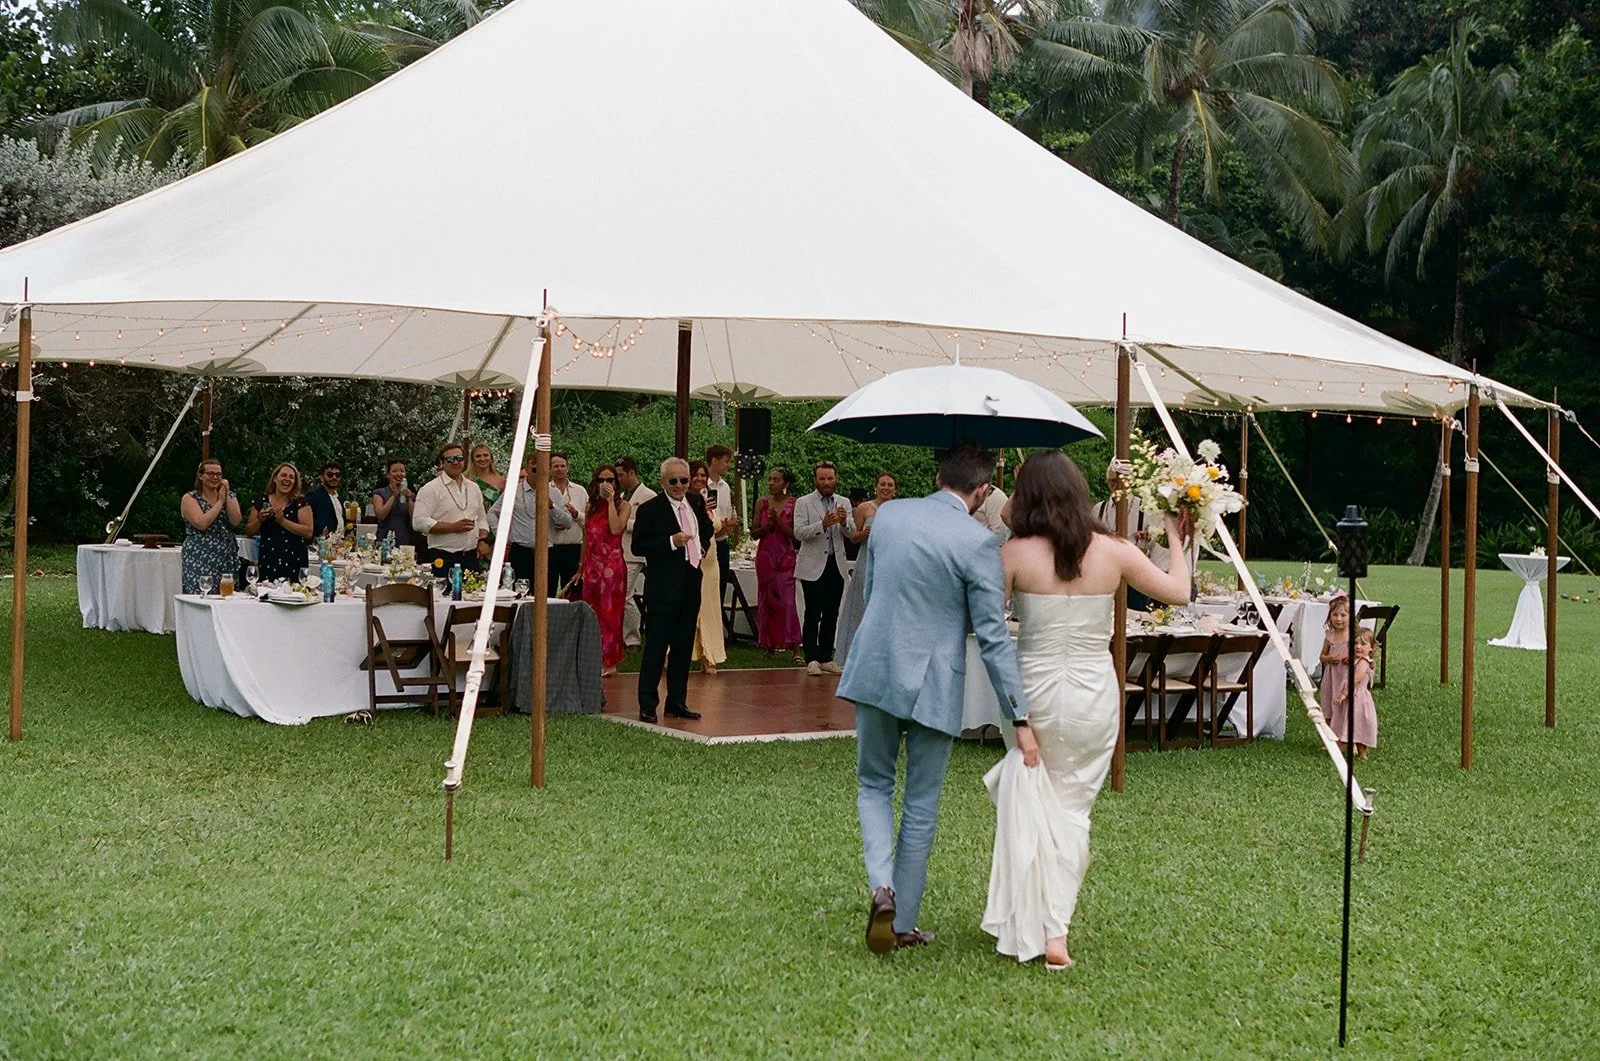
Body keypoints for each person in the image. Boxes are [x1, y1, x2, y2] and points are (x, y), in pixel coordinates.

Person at [981, 450, 1191, 971]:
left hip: (1032, 694)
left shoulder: (1014, 554)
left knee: (1034, 798)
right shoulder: (1114, 550)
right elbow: (1180, 591)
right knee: (1072, 810)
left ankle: (1034, 922)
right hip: (1095, 692)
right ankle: (1057, 931)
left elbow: (990, 636)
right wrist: (1176, 534)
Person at [839, 443, 1031, 955]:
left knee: (874, 783)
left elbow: (873, 589)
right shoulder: (978, 542)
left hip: (876, 664)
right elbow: (991, 635)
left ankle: (881, 884)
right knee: (921, 803)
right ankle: (902, 921)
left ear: (936, 474)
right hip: (935, 680)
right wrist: (1020, 712)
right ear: (983, 490)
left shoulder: (889, 516)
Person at [630, 458, 714, 723]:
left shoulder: (696, 503)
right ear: (662, 482)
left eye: (684, 480)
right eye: (673, 481)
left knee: (683, 645)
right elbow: (638, 546)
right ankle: (647, 703)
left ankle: (677, 701)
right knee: (656, 646)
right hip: (663, 586)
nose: (679, 486)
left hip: (691, 582)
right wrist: (671, 542)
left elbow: (707, 529)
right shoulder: (650, 509)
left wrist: (700, 549)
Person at [794, 461, 855, 676]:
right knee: (813, 612)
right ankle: (811, 657)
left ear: (836, 479)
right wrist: (823, 525)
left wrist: (845, 521)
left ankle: (826, 656)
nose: (827, 482)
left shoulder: (843, 502)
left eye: (830, 478)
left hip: (835, 564)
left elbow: (851, 533)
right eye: (822, 479)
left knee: (831, 612)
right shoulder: (804, 502)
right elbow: (799, 533)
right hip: (812, 565)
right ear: (815, 480)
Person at [836, 472, 898, 666]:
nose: (886, 488)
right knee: (861, 605)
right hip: (867, 559)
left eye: (890, 485)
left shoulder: (899, 509)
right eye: (882, 484)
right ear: (876, 487)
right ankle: (855, 654)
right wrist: (863, 534)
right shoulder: (864, 508)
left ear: (895, 489)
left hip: (888, 561)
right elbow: (852, 538)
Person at [1091, 461, 1168, 612]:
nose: (1115, 485)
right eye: (1112, 481)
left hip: (1135, 580)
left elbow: (1158, 546)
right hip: (1103, 577)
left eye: (1120, 481)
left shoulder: (1146, 508)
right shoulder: (1098, 510)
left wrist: (1149, 538)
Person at [576, 463, 629, 675]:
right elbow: (586, 538)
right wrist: (580, 568)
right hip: (592, 565)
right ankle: (591, 657)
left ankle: (610, 661)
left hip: (612, 566)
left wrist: (610, 502)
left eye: (609, 480)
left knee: (610, 614)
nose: (605, 484)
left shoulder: (623, 505)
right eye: (601, 480)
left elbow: (616, 528)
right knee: (592, 612)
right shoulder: (590, 506)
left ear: (616, 483)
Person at [487, 454, 574, 584]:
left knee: (547, 595)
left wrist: (552, 506)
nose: (539, 472)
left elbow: (568, 523)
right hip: (521, 552)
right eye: (534, 469)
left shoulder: (554, 493)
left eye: (543, 468)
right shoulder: (514, 491)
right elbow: (492, 513)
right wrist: (504, 535)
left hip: (547, 553)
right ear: (527, 470)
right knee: (520, 595)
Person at [412, 442, 489, 571]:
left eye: (459, 458)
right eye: (450, 459)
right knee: (442, 591)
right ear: (442, 463)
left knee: (473, 592)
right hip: (443, 556)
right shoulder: (430, 489)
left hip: (470, 556)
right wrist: (453, 527)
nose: (456, 462)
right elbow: (418, 522)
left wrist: (482, 540)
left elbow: (481, 520)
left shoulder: (473, 487)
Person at [752, 465, 802, 662]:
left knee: (788, 602)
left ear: (786, 484)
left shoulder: (794, 504)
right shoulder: (761, 503)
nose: (771, 483)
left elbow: (797, 536)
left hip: (785, 557)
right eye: (770, 479)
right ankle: (769, 646)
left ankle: (795, 648)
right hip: (765, 557)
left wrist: (779, 523)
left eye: (776, 480)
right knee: (768, 601)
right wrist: (767, 526)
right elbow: (754, 533)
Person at [689, 460, 729, 675]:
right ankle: (676, 653)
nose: (700, 479)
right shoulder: (683, 502)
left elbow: (715, 529)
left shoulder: (707, 501)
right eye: (696, 475)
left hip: (711, 560)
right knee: (690, 608)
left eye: (703, 476)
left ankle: (709, 655)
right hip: (692, 559)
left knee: (710, 608)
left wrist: (726, 525)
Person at [180, 458, 242, 593]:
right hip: (200, 555)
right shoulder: (190, 498)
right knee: (201, 593)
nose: (215, 477)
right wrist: (220, 502)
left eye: (218, 474)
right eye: (211, 474)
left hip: (226, 556)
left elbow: (236, 521)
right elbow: (201, 523)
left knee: (226, 596)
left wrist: (226, 496)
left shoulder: (229, 496)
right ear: (200, 476)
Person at [245, 462, 314, 582]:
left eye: (291, 477)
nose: (287, 479)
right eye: (283, 475)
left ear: (295, 483)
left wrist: (282, 521)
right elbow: (249, 531)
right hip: (268, 559)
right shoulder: (262, 501)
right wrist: (260, 520)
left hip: (294, 560)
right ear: (275, 478)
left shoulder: (300, 503)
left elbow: (308, 532)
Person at [616, 457, 657, 648]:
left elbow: (649, 525)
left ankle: (632, 638)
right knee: (622, 594)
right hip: (623, 551)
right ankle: (625, 635)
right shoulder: (625, 494)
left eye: (621, 475)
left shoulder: (648, 495)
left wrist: (623, 522)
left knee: (625, 595)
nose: (619, 479)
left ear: (632, 472)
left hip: (636, 553)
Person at [1329, 627, 1379, 759]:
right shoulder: (1357, 659)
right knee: (1353, 722)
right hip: (1353, 697)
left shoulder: (1363, 662)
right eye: (1355, 643)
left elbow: (1356, 679)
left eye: (1363, 644)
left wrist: (1344, 693)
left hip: (1356, 697)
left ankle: (1344, 745)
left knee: (1355, 721)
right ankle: (1358, 751)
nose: (1358, 647)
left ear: (1371, 648)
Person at [548, 453, 588, 593]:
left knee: (572, 590)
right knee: (549, 588)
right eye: (556, 466)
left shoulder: (580, 491)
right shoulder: (544, 490)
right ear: (549, 469)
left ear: (567, 468)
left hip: (573, 548)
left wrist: (576, 514)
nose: (559, 469)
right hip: (551, 549)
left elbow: (588, 522)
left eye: (562, 466)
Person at [1319, 594, 1352, 739]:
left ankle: (1347, 738)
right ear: (1330, 617)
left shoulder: (1353, 637)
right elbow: (1322, 657)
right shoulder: (1329, 636)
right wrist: (1329, 658)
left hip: (1345, 676)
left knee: (1345, 706)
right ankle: (1329, 737)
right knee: (1328, 704)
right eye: (1335, 615)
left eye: (1343, 615)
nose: (1339, 619)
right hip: (1331, 677)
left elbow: (1363, 654)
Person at [705, 444, 739, 583]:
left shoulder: (725, 486)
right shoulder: (702, 485)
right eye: (726, 461)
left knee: (722, 583)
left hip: (722, 543)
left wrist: (729, 525)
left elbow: (729, 515)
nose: (728, 465)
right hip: (707, 543)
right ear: (714, 461)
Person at [370, 458, 418, 548]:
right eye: (394, 471)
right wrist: (394, 496)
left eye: (402, 471)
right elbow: (381, 515)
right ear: (388, 474)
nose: (399, 474)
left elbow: (414, 519)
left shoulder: (411, 495)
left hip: (404, 542)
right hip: (384, 541)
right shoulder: (379, 493)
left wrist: (408, 500)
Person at [304, 462, 349, 539]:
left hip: (339, 544)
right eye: (330, 475)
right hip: (320, 543)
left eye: (337, 475)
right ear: (321, 477)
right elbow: (304, 517)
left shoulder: (338, 498)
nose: (334, 477)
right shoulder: (314, 495)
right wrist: (321, 528)